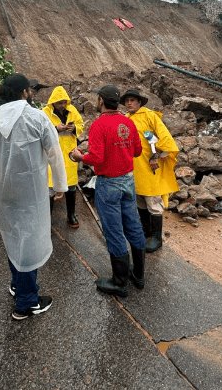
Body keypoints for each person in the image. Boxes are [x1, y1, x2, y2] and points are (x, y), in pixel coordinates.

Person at [0, 74, 68, 320]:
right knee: (29, 241)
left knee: (13, 236)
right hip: (31, 193)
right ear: (25, 91)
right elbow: (55, 154)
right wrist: (60, 185)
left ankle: (18, 284)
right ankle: (26, 302)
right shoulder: (36, 118)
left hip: (2, 193)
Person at [70, 85, 146, 298]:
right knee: (133, 225)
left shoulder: (99, 125)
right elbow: (137, 151)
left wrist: (79, 156)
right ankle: (138, 275)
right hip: (128, 180)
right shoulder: (128, 122)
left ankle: (120, 282)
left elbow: (96, 158)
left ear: (101, 100)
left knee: (113, 230)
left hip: (109, 183)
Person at [120, 89, 179, 252]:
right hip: (134, 168)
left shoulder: (149, 116)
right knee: (139, 199)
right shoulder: (126, 119)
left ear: (139, 102)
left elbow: (164, 138)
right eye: (127, 101)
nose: (129, 103)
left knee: (153, 201)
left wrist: (155, 156)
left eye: (132, 100)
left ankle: (156, 237)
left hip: (149, 166)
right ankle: (146, 233)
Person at [42, 85, 85, 228]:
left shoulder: (72, 110)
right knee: (51, 185)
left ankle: (71, 215)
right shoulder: (45, 113)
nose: (62, 105)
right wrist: (56, 129)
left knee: (71, 185)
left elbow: (81, 125)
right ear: (53, 101)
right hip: (52, 154)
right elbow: (40, 131)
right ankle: (46, 219)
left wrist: (75, 129)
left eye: (64, 102)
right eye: (59, 102)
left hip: (69, 153)